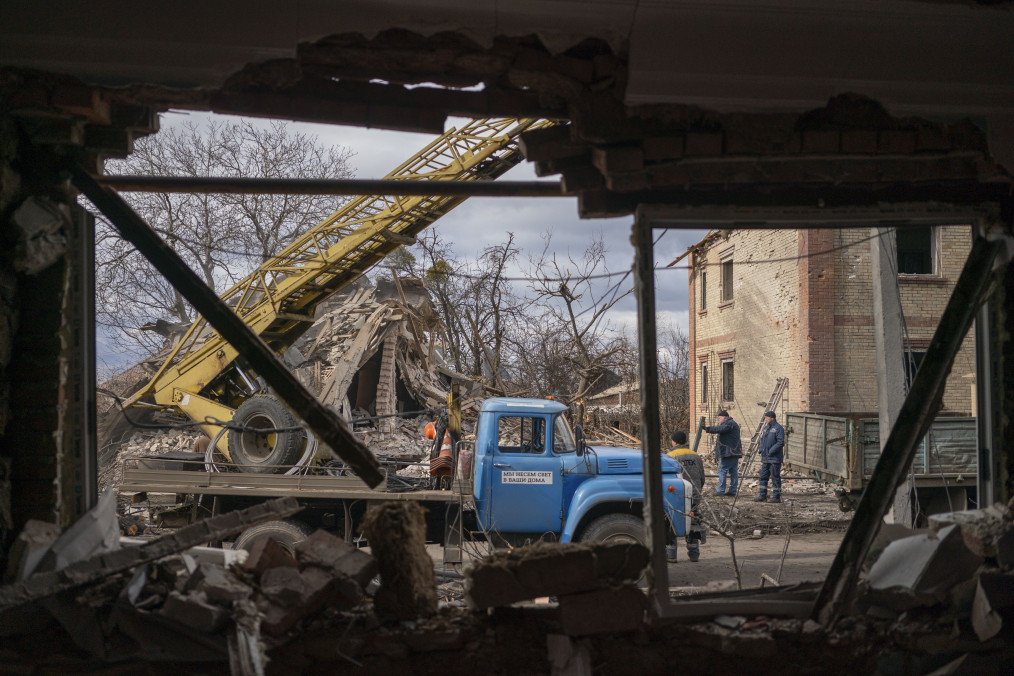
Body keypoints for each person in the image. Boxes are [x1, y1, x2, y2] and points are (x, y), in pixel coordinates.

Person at [667, 430, 705, 562]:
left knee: (671, 522)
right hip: (694, 495)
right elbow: (702, 477)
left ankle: (671, 555)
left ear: (674, 441)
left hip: (676, 495)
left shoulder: (670, 456)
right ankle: (694, 554)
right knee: (693, 523)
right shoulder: (695, 456)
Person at [704, 409, 742, 496]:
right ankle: (732, 491)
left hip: (729, 452)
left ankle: (721, 490)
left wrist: (708, 428)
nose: (719, 420)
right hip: (733, 452)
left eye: (719, 418)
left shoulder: (729, 423)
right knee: (733, 471)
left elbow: (720, 429)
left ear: (725, 418)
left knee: (722, 470)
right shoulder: (730, 423)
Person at [755, 410, 785, 503]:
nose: (765, 419)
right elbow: (762, 440)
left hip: (774, 458)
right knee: (763, 476)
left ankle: (776, 497)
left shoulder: (778, 428)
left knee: (775, 477)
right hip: (765, 458)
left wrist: (771, 451)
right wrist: (761, 448)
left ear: (772, 418)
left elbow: (780, 442)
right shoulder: (766, 428)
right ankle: (762, 495)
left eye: (766, 417)